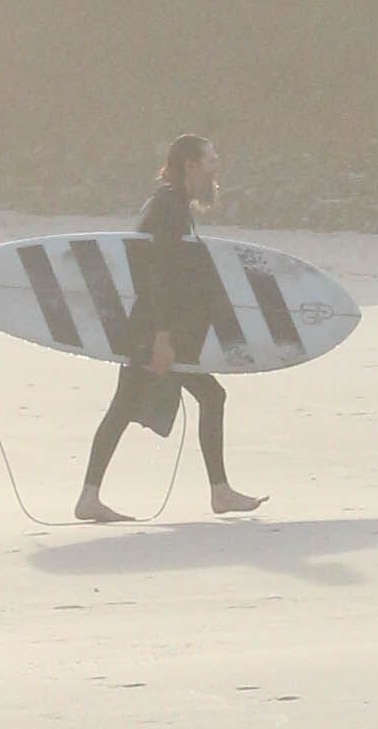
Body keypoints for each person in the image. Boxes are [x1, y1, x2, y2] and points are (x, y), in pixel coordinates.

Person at [76, 133, 267, 522]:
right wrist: (162, 339)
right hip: (154, 330)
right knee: (178, 400)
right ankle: (91, 498)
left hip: (160, 328)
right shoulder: (168, 207)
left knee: (177, 400)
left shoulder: (172, 203)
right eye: (211, 160)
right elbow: (157, 274)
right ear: (191, 166)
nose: (217, 167)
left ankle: (217, 491)